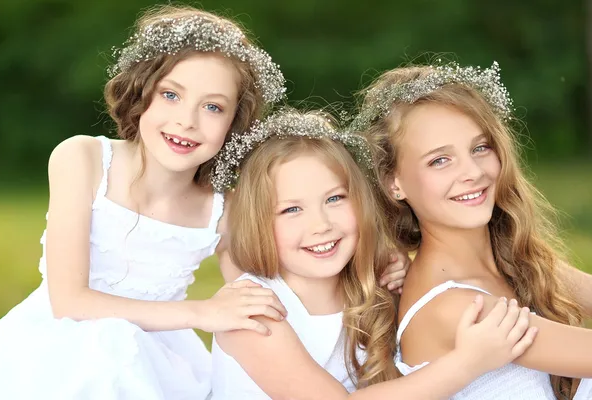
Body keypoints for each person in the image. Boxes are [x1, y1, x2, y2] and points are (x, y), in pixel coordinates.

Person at [0, 5, 288, 399]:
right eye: (171, 95)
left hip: (158, 360)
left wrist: (377, 267)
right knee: (108, 357)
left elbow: (265, 296)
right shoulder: (83, 159)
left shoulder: (223, 211)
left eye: (212, 107)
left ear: (234, 124)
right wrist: (202, 312)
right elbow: (69, 301)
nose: (187, 120)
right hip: (56, 353)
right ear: (141, 92)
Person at [210, 109, 538, 399]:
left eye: (335, 199)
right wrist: (467, 363)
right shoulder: (252, 313)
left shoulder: (371, 283)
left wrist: (401, 284)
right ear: (258, 222)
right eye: (292, 209)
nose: (321, 224)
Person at [356, 61, 592, 399]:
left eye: (480, 148)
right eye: (440, 160)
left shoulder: (520, 263)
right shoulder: (453, 307)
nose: (472, 172)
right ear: (394, 184)